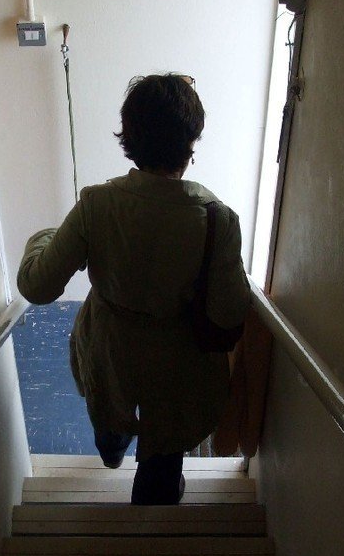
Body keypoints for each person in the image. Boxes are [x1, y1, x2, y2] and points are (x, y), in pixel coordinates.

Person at [17, 73, 250, 505]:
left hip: (110, 349)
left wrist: (44, 237)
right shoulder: (219, 220)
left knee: (109, 410)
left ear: (129, 137)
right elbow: (230, 311)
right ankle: (152, 517)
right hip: (178, 369)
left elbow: (37, 285)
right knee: (163, 460)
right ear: (191, 142)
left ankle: (112, 447)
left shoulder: (96, 205)